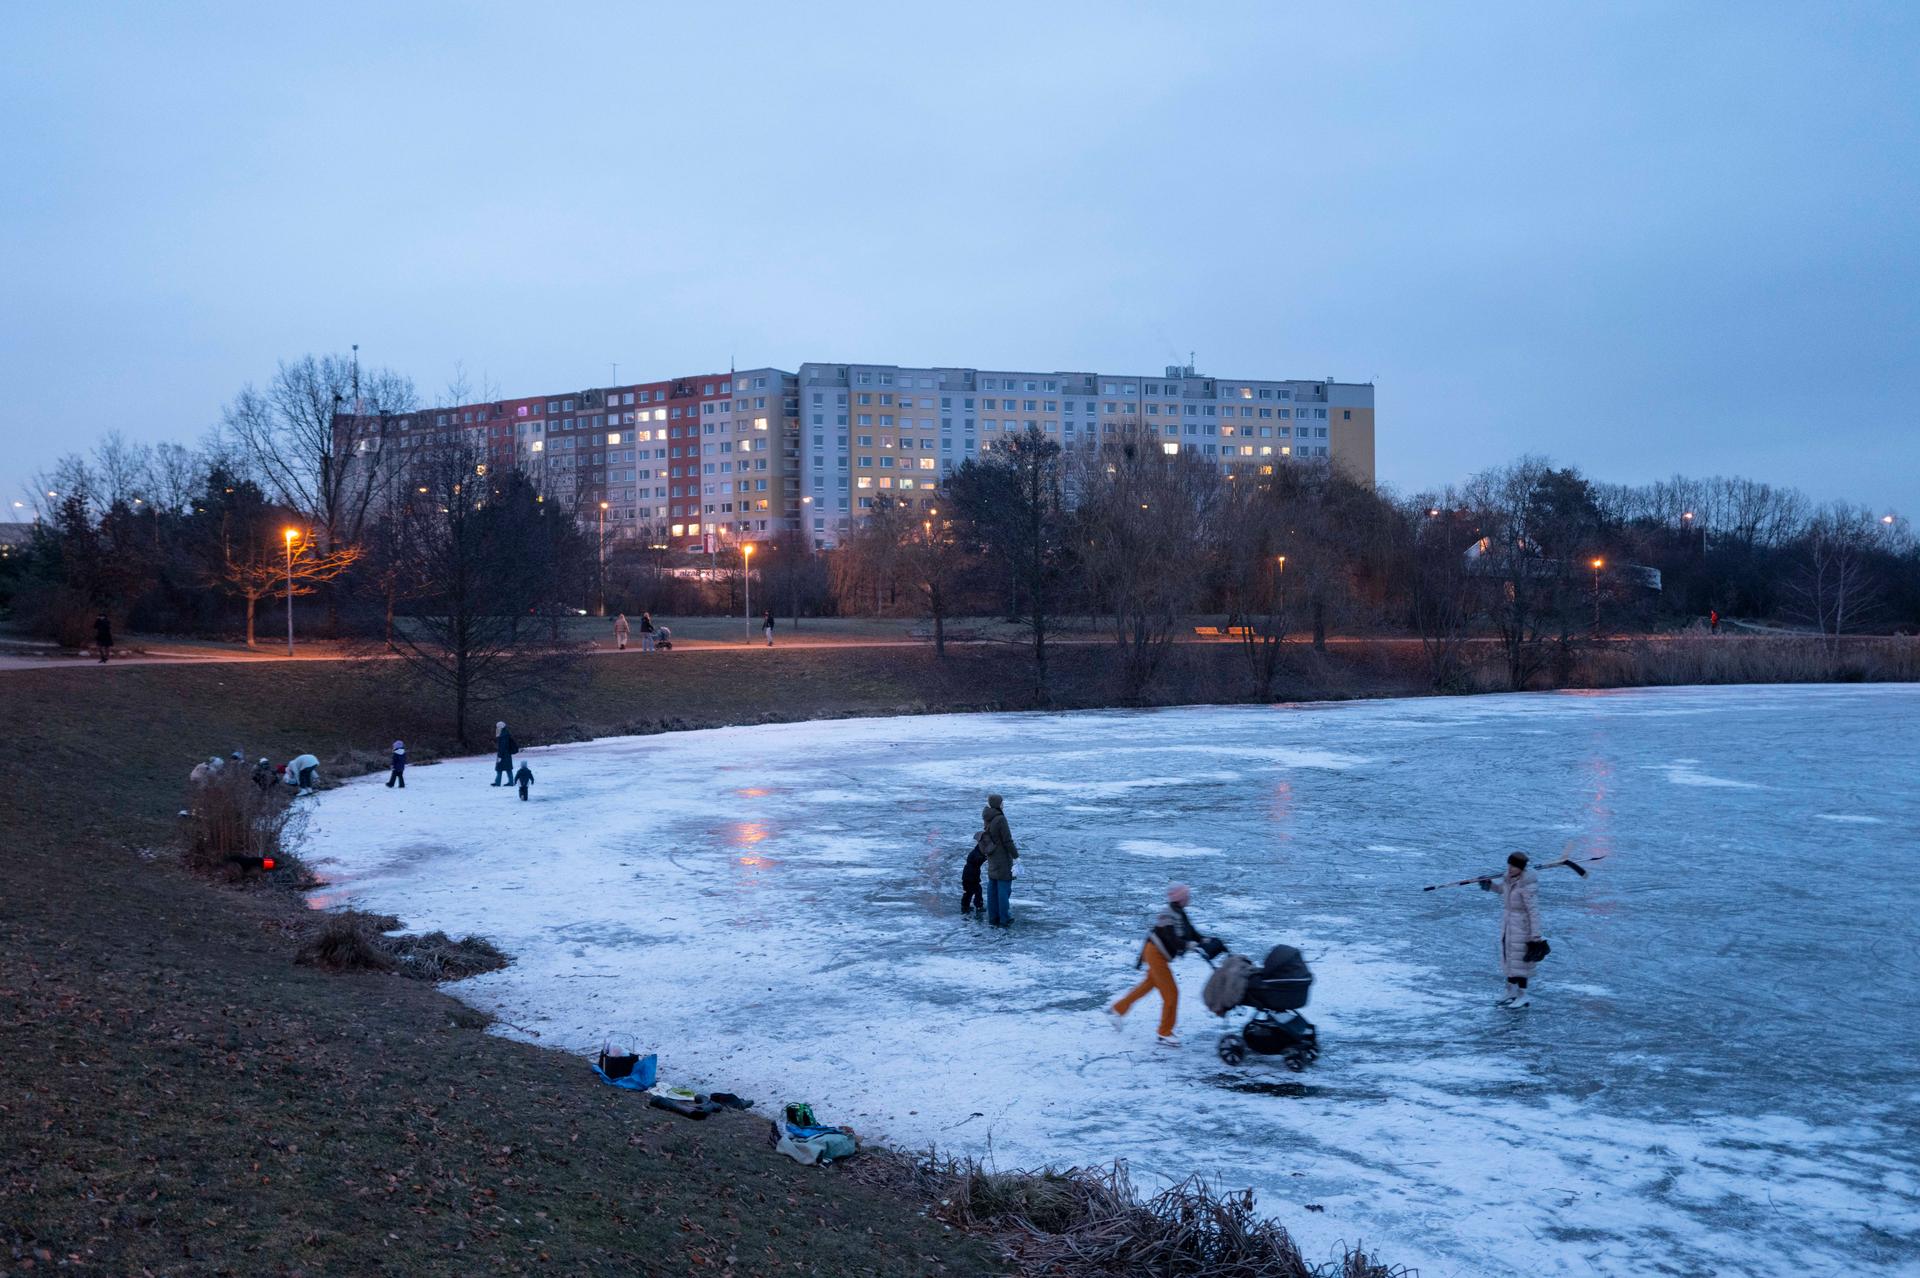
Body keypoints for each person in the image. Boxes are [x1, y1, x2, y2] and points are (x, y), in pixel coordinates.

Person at [1110, 884, 1215, 1047]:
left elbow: (1192, 932)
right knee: (1172, 993)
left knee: (1146, 986)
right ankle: (1164, 1033)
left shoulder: (1180, 914)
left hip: (1159, 955)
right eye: (1187, 896)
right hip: (1154, 954)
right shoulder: (1166, 914)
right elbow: (1171, 938)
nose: (1189, 898)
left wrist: (1204, 940)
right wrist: (1188, 945)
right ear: (1180, 898)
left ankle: (1117, 1009)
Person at [1480, 852, 1543, 1008]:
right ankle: (1510, 991)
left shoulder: (1527, 886)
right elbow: (1502, 890)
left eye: (1514, 866)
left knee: (1520, 963)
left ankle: (1523, 995)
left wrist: (1536, 935)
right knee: (1509, 959)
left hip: (1523, 927)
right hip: (1508, 925)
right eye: (1509, 865)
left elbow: (1533, 911)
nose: (1511, 868)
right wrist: (1489, 885)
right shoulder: (1509, 879)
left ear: (1521, 868)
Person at [980, 794, 1018, 926]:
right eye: (1002, 802)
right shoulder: (1000, 819)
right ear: (998, 803)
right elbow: (1007, 840)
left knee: (992, 886)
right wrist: (1016, 856)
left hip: (991, 856)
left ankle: (993, 917)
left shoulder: (988, 817)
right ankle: (1004, 918)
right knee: (1003, 887)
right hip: (1002, 858)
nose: (1003, 804)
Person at [960, 831, 988, 915]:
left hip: (969, 874)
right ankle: (978, 906)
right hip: (971, 875)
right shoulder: (976, 852)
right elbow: (977, 860)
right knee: (976, 890)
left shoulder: (976, 851)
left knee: (969, 891)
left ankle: (965, 906)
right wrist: (985, 858)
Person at [492, 722, 516, 787]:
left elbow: (502, 747)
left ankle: (498, 782)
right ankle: (511, 782)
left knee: (499, 769)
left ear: (500, 727)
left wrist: (499, 755)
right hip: (507, 754)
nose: (496, 728)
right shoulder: (505, 733)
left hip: (503, 754)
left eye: (497, 727)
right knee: (508, 769)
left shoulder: (502, 735)